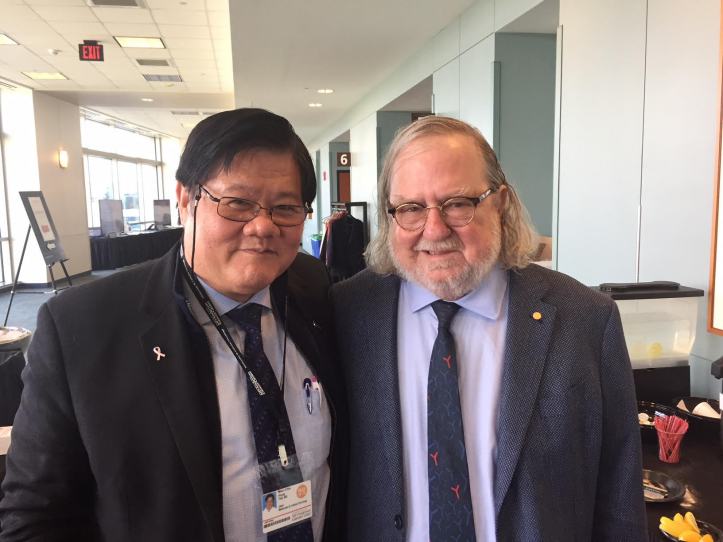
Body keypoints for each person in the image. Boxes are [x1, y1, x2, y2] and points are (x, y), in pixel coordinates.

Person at [0, 108, 349, 542]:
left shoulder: (313, 288)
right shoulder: (82, 328)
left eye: (285, 208)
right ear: (186, 199)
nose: (263, 226)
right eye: (238, 203)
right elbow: (33, 515)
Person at [331, 116, 646, 542]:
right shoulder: (348, 313)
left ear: (500, 204)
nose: (435, 228)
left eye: (458, 203)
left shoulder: (586, 318)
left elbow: (619, 488)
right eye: (410, 208)